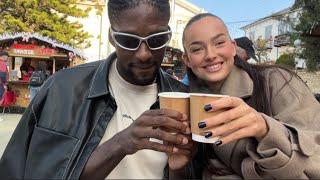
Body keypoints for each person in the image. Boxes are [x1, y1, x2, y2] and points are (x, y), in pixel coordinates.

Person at [0, 1, 195, 179]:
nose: (143, 54)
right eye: (128, 40)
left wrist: (179, 169)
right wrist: (121, 143)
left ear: (168, 35)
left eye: (156, 40)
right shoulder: (61, 89)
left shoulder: (185, 98)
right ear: (111, 37)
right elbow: (16, 170)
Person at [181, 13, 320, 179]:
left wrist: (265, 129)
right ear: (187, 59)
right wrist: (178, 168)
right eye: (197, 49)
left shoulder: (276, 81)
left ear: (233, 47)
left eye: (219, 43)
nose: (210, 55)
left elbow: (314, 160)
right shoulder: (186, 101)